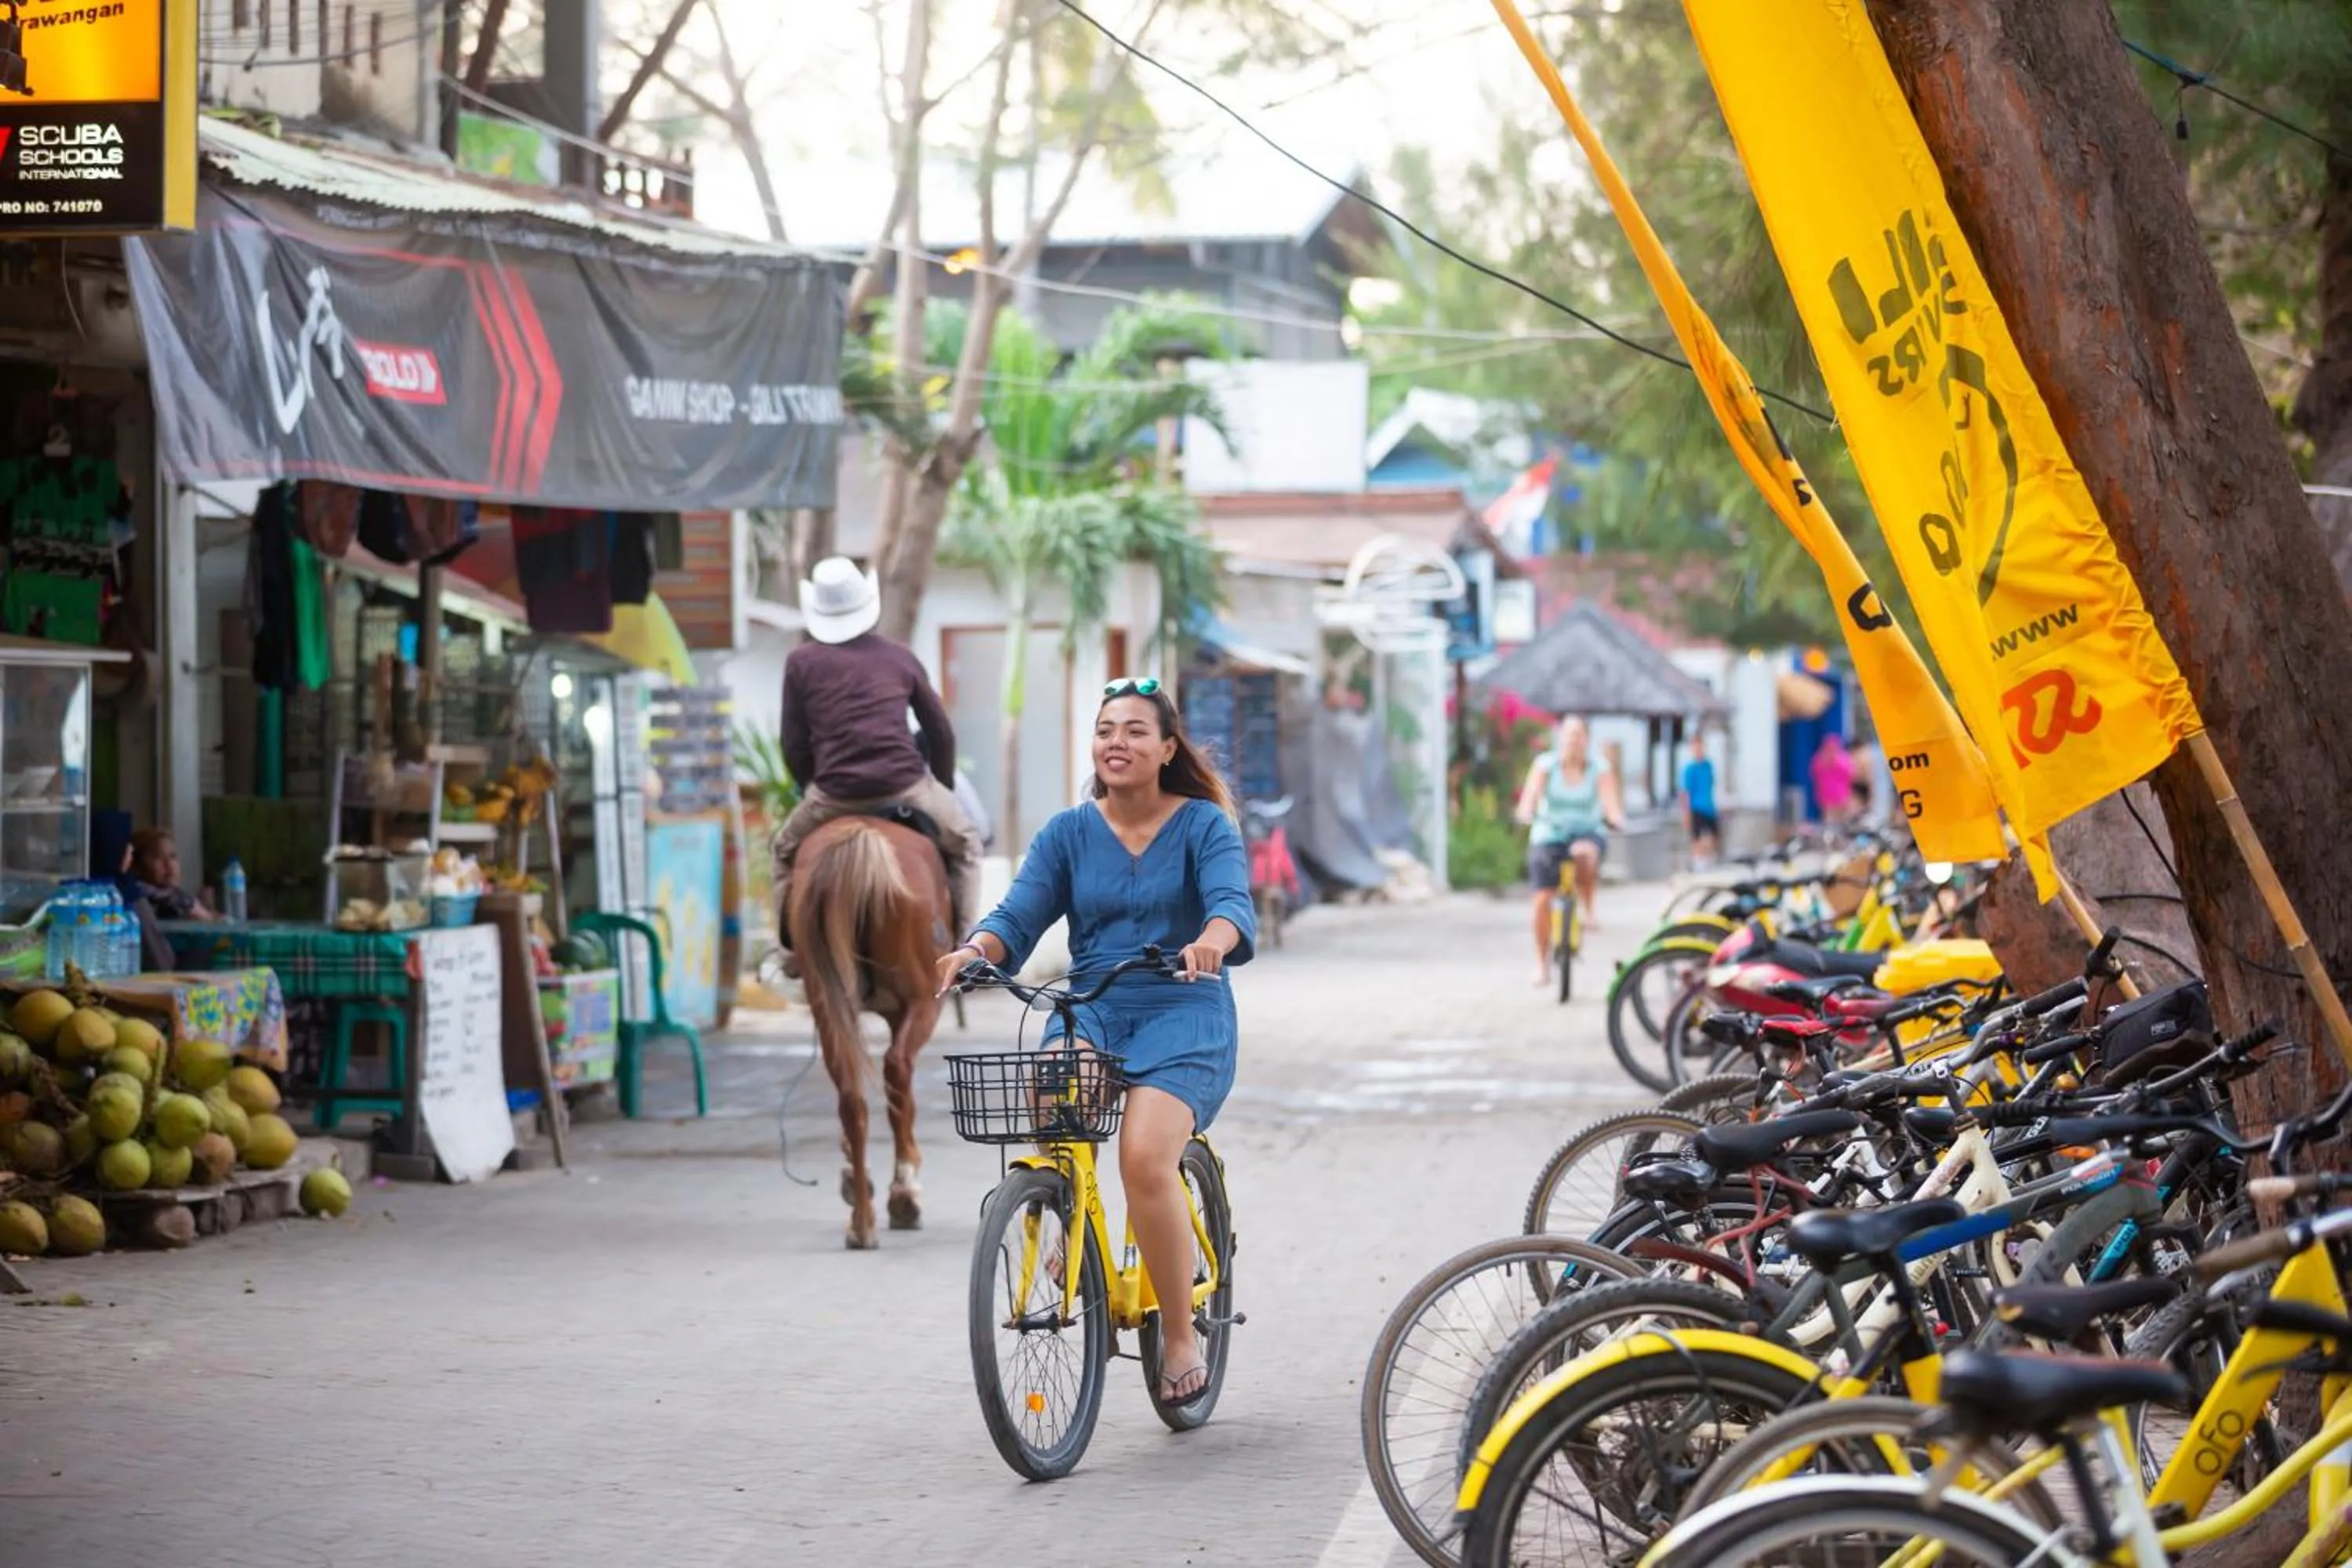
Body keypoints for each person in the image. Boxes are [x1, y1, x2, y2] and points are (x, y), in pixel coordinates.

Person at [934, 677, 1256, 1409]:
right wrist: (978, 948)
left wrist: (1211, 940)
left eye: (1136, 730)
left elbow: (1231, 903)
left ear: (1168, 748)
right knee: (1052, 1081)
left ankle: (1179, 1334)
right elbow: (1018, 915)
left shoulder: (1205, 826)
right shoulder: (1069, 833)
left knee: (1144, 1157)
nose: (1118, 741)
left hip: (1185, 1007)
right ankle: (1060, 1217)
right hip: (1096, 1005)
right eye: (1107, 729)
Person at [770, 557, 985, 976]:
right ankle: (964, 952)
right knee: (966, 844)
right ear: (867, 603)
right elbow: (939, 731)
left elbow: (793, 743)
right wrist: (938, 787)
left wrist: (812, 785)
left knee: (782, 852)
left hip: (834, 795)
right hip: (904, 786)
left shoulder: (800, 662)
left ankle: (791, 955)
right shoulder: (900, 658)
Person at [1514, 717, 1625, 986]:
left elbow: (1611, 804)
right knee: (1542, 899)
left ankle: (1588, 910)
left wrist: (1616, 818)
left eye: (1579, 735)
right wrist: (1526, 812)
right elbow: (1529, 798)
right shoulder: (1545, 766)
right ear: (1560, 738)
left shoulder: (1599, 768)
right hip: (1549, 832)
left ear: (1587, 739)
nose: (1573, 740)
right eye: (1569, 734)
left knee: (1584, 852)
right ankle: (1542, 964)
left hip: (1587, 831)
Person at [127, 828, 216, 921]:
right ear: (137, 865)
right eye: (158, 857)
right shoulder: (138, 896)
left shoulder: (177, 897)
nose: (170, 864)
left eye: (173, 856)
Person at [1679, 731, 1721, 868]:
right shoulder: (1689, 769)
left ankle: (1708, 862)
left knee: (1714, 837)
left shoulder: (1708, 766)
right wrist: (1686, 814)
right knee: (1696, 838)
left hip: (1709, 807)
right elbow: (1684, 792)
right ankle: (1697, 864)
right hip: (1695, 807)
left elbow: (1712, 785)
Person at [1811, 732, 1858, 827]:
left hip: (1831, 794)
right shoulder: (1843, 759)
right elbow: (1852, 774)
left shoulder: (1820, 759)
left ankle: (1831, 836)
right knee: (1837, 819)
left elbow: (1813, 774)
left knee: (1831, 819)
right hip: (1837, 794)